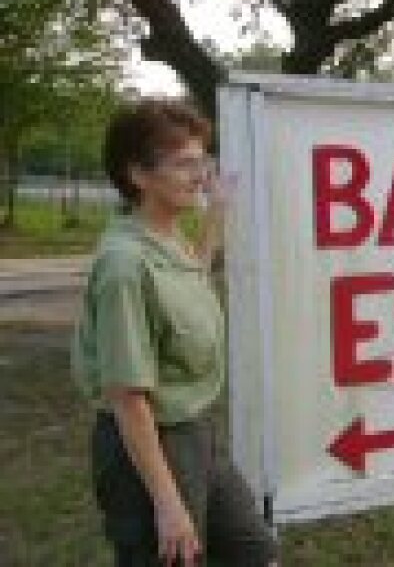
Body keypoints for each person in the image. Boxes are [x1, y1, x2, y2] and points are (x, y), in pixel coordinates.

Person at [71, 100, 278, 566]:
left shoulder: (166, 237)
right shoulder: (125, 264)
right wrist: (168, 506)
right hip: (148, 447)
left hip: (195, 432)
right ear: (139, 176)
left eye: (202, 161)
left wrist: (217, 212)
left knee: (256, 553)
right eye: (185, 164)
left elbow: (191, 278)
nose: (200, 175)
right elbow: (127, 398)